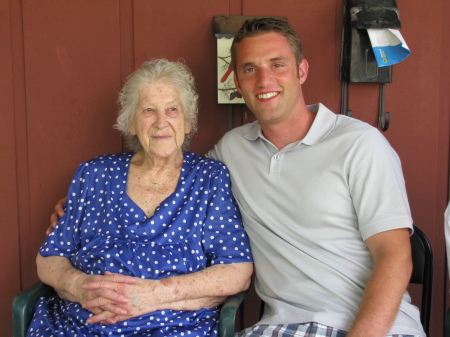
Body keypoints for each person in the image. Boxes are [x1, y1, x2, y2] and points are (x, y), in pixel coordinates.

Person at [50, 18, 425, 337]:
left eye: (277, 64)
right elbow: (169, 172)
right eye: (249, 68)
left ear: (301, 70)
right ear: (237, 81)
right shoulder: (231, 152)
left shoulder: (359, 144)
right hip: (286, 326)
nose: (264, 79)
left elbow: (395, 255)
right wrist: (79, 207)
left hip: (375, 326)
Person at [31, 59, 253, 337]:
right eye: (148, 110)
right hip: (80, 326)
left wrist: (156, 294)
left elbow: (237, 270)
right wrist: (80, 286)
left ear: (186, 123)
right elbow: (50, 258)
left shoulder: (208, 178)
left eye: (172, 109)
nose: (161, 122)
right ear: (132, 124)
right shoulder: (94, 174)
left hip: (175, 328)